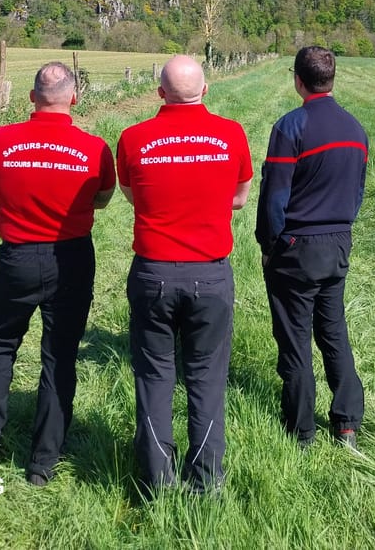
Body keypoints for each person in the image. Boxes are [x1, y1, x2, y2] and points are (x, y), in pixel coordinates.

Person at [0, 62, 115, 485]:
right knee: (59, 354)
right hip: (69, 257)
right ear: (74, 98)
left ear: (31, 97)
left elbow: (0, 184)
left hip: (16, 256)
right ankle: (43, 462)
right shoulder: (95, 149)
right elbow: (101, 200)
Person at [116, 55, 253, 495]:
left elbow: (131, 195)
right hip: (210, 275)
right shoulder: (231, 135)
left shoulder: (133, 139)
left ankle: (158, 481)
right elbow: (240, 197)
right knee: (206, 377)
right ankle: (207, 479)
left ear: (159, 93)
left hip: (153, 271)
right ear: (206, 89)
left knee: (155, 376)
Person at [256, 46, 368, 450]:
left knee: (295, 338)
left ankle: (301, 430)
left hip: (297, 247)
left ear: (297, 80)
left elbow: (274, 197)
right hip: (338, 244)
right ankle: (347, 423)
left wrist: (270, 244)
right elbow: (357, 192)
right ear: (332, 79)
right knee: (334, 331)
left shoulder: (291, 127)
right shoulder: (356, 129)